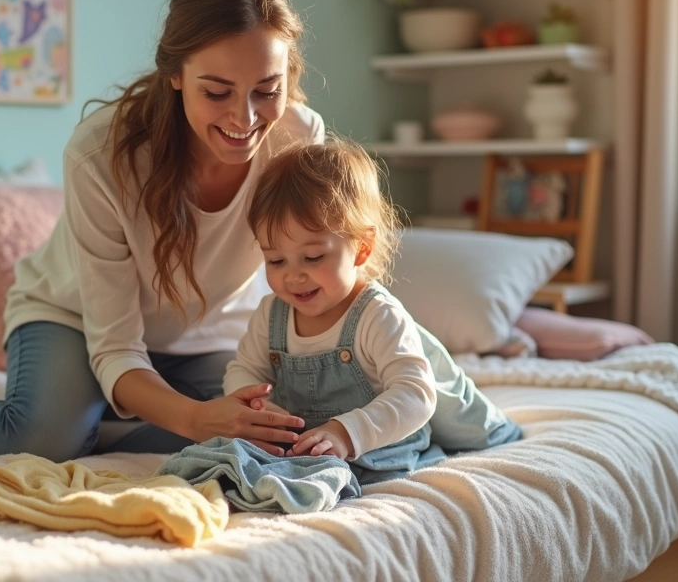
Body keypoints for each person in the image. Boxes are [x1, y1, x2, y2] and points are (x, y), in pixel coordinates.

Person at [0, 0, 324, 461]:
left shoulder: (298, 139)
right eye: (216, 91)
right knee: (44, 442)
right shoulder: (100, 155)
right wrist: (194, 418)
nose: (245, 118)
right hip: (74, 322)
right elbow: (115, 345)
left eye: (266, 90)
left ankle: (101, 423)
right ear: (174, 75)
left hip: (205, 333)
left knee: (273, 430)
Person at [224, 139, 522, 484]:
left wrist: (346, 433)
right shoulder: (270, 315)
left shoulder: (376, 315)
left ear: (361, 248)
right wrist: (257, 409)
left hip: (380, 449)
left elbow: (416, 395)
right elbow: (244, 370)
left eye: (313, 257)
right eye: (275, 260)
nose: (293, 275)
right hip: (307, 449)